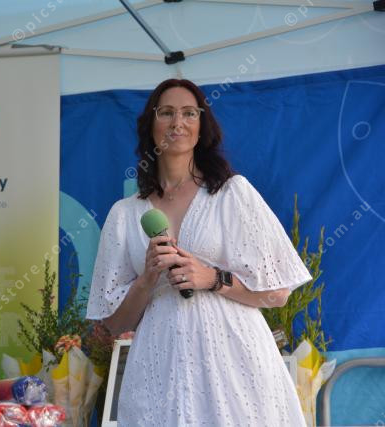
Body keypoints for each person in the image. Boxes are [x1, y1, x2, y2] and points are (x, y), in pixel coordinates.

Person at [86, 79, 311, 426]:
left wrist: (212, 278)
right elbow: (114, 324)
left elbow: (278, 294)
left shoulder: (232, 194)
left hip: (235, 365)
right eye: (167, 113)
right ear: (150, 125)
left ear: (202, 126)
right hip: (159, 371)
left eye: (189, 113)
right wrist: (147, 279)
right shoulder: (124, 214)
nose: (178, 122)